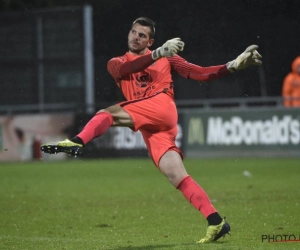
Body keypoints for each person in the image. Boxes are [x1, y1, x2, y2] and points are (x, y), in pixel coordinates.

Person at [41, 17, 262, 243]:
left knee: (105, 114)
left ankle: (77, 141)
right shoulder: (116, 62)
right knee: (176, 176)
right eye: (133, 32)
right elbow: (129, 68)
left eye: (142, 35)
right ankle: (215, 221)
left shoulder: (167, 56)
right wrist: (157, 54)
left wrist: (231, 66)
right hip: (152, 126)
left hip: (162, 106)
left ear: (150, 41)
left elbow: (200, 73)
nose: (136, 37)